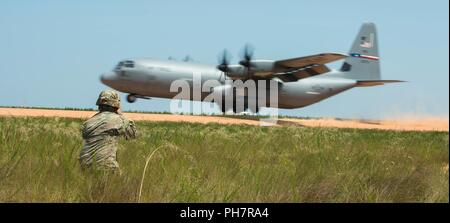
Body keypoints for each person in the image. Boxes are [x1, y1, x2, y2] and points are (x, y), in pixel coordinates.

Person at [79, 90, 137, 172]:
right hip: (106, 166)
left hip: (85, 165)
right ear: (116, 105)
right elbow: (132, 136)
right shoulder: (120, 120)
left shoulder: (88, 122)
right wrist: (120, 114)